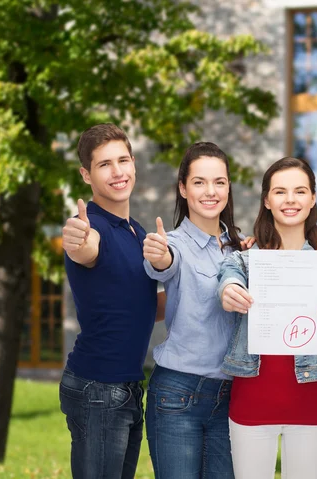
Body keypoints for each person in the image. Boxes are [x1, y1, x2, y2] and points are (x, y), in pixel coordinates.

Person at [217, 157, 317, 479]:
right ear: (267, 200)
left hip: (311, 407)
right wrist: (231, 290)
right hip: (251, 406)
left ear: (312, 199)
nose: (290, 199)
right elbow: (228, 279)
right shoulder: (243, 262)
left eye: (300, 191)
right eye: (280, 191)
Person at [60, 123, 164, 478]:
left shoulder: (136, 230)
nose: (118, 172)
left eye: (123, 160)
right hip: (98, 387)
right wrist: (77, 239)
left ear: (134, 163)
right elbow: (84, 248)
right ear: (86, 174)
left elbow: (142, 305)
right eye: (104, 164)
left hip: (127, 388)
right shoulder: (91, 228)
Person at [142, 142, 245, 478]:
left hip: (231, 397)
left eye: (219, 182)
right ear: (183, 188)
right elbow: (164, 263)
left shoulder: (242, 248)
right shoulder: (173, 243)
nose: (210, 191)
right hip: (177, 396)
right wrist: (158, 256)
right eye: (199, 182)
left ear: (229, 186)